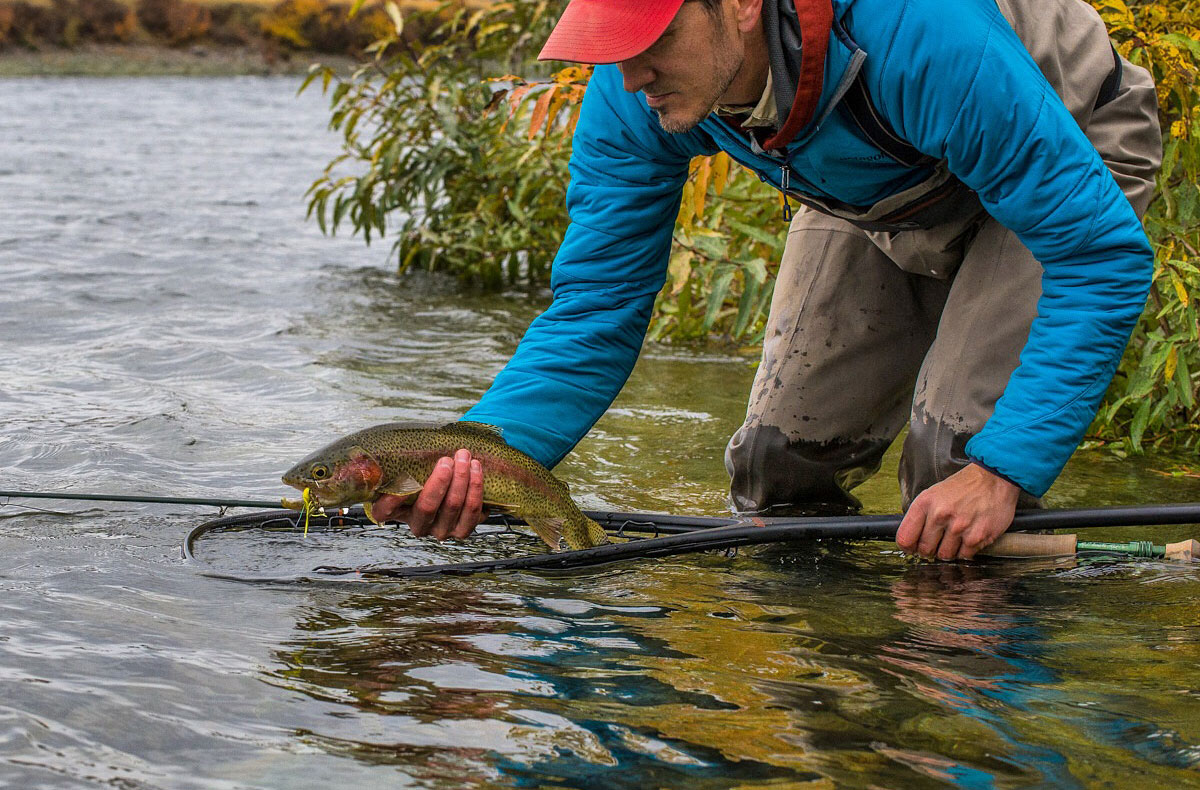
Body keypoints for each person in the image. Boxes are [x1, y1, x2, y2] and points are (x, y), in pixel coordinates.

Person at [372, 0, 1162, 560]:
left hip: (1070, 150)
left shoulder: (916, 29)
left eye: (655, 35)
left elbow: (1099, 256)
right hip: (887, 188)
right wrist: (466, 462)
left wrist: (1005, 470)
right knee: (775, 473)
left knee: (957, 478)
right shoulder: (632, 94)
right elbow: (595, 310)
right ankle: (820, 694)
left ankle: (971, 710)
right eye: (613, 42)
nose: (632, 72)